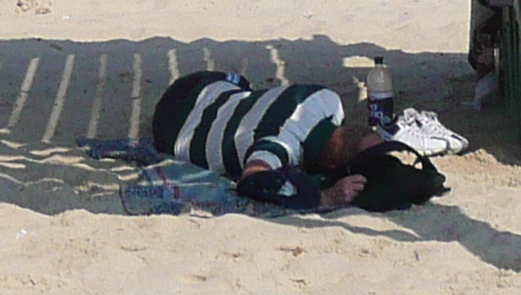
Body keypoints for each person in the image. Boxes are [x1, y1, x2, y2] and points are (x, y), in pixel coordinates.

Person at [150, 69, 382, 209]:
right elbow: (253, 179)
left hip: (205, 84)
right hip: (172, 127)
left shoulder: (326, 99)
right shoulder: (279, 145)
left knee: (243, 86)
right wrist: (324, 197)